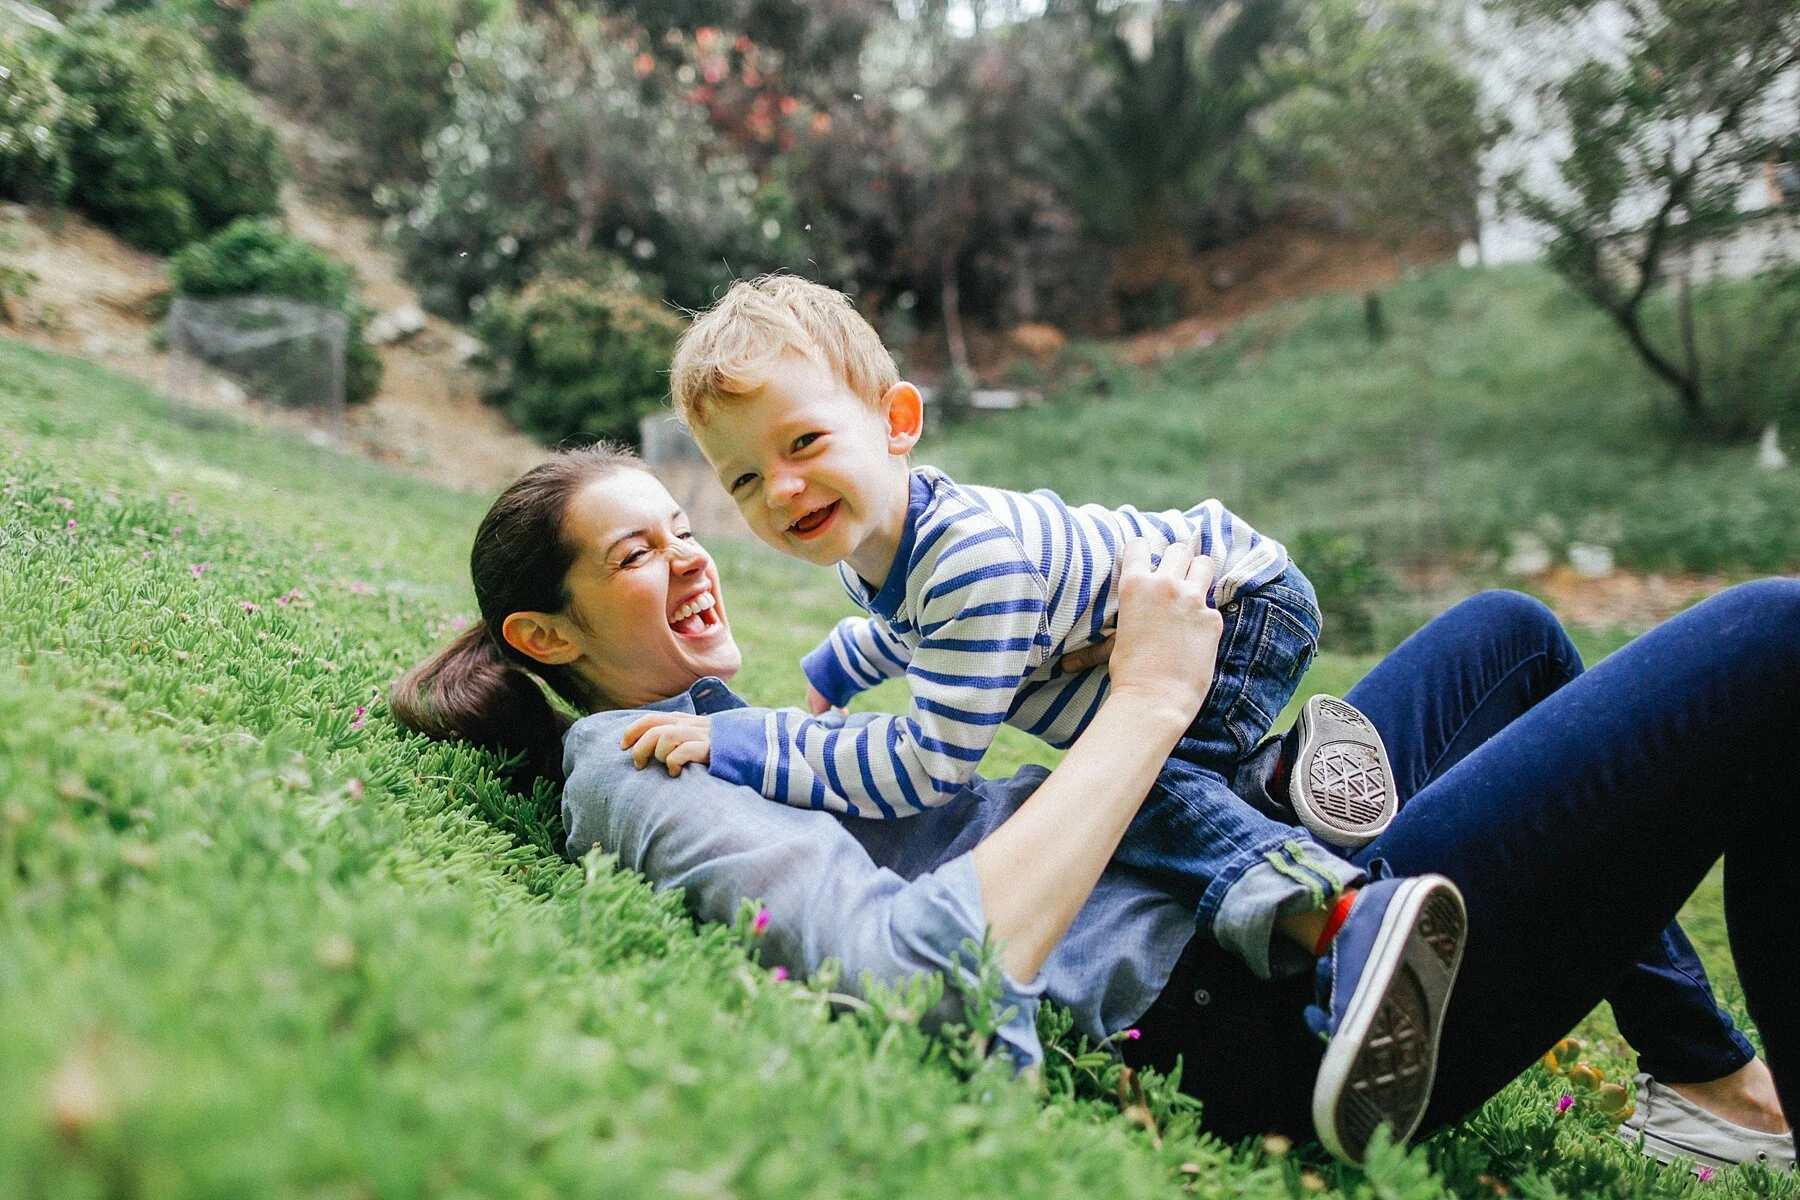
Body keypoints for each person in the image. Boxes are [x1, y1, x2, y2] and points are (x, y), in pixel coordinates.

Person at [390, 446, 1795, 1172]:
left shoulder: (726, 727)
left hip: (1204, 879)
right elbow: (910, 977)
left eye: (685, 526)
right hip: (1251, 1016)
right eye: (637, 554)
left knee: (1507, 638)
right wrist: (1142, 705)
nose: (693, 561)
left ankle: (1706, 1082)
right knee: (1770, 645)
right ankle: (1336, 915)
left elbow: (932, 774)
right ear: (549, 637)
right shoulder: (635, 771)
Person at [631, 276, 1418, 1060]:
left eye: (802, 442)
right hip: (1189, 606)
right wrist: (839, 665)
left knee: (1137, 802)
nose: (782, 488)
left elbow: (926, 765)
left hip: (1234, 603)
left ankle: (1341, 917)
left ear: (896, 421)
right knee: (1130, 803)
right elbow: (907, 627)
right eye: (744, 479)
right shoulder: (876, 544)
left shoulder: (970, 562)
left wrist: (754, 743)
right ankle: (1279, 782)